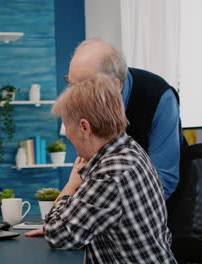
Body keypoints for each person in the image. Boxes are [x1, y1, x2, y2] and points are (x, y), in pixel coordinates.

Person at [28, 74, 176, 263]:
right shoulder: (129, 148)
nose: (67, 136)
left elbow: (58, 234)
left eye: (67, 128)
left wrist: (71, 185)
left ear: (84, 128)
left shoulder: (110, 173)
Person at [65, 39, 185, 199]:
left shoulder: (159, 98)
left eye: (84, 86)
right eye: (71, 84)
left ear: (115, 85)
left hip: (156, 208)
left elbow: (163, 180)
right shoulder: (87, 102)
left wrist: (102, 204)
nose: (75, 95)